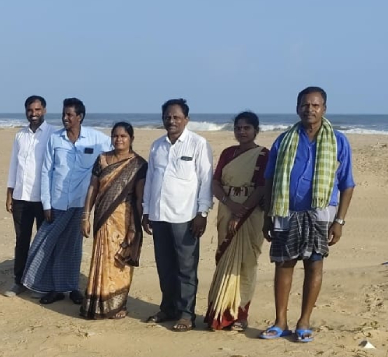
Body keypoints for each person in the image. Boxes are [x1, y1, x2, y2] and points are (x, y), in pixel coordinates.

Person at [260, 87, 355, 342]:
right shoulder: (284, 140)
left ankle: (304, 322)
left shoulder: (338, 141)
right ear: (297, 108)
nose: (309, 109)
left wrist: (339, 221)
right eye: (305, 105)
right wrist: (267, 215)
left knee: (314, 264)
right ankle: (280, 322)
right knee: (284, 264)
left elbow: (347, 184)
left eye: (315, 105)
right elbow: (269, 179)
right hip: (285, 210)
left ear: (324, 109)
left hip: (321, 212)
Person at [22, 98, 111, 305]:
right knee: (46, 244)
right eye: (64, 114)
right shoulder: (55, 139)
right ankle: (51, 287)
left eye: (70, 115)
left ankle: (71, 288)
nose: (65, 118)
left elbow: (118, 148)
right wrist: (46, 204)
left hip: (81, 203)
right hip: (57, 202)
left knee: (72, 247)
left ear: (80, 117)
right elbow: (46, 172)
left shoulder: (96, 139)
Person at [142, 99, 213, 332]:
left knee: (186, 268)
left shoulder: (198, 144)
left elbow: (206, 180)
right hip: (159, 215)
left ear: (186, 119)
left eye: (176, 117)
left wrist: (202, 213)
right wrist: (146, 210)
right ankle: (168, 308)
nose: (171, 121)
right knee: (165, 266)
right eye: (167, 117)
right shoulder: (157, 146)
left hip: (186, 216)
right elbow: (151, 180)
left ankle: (186, 314)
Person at [204, 112, 269, 331]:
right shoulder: (228, 153)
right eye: (238, 128)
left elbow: (262, 187)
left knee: (247, 263)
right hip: (226, 208)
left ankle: (240, 314)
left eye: (246, 128)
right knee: (225, 257)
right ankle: (220, 313)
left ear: (256, 130)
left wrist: (241, 213)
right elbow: (215, 183)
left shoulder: (264, 155)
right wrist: (230, 205)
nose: (242, 132)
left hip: (251, 213)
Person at [80, 122, 147, 319]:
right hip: (103, 218)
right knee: (102, 258)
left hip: (124, 220)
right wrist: (85, 216)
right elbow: (93, 189)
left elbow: (139, 198)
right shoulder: (102, 159)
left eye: (123, 136)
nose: (119, 139)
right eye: (115, 136)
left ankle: (118, 305)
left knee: (120, 261)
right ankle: (98, 302)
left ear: (131, 139)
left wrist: (135, 227)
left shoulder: (139, 165)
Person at [4, 95, 55, 298]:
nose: (33, 114)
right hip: (20, 197)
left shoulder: (53, 134)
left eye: (37, 110)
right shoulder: (20, 135)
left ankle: (40, 282)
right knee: (22, 240)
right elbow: (14, 166)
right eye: (30, 110)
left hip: (43, 199)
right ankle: (19, 281)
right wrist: (9, 194)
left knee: (43, 242)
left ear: (44, 110)